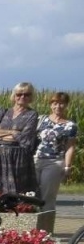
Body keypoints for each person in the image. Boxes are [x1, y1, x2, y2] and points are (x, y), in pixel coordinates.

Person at [0, 82, 40, 197]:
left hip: (16, 158)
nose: (22, 97)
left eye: (27, 94)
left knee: (15, 192)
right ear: (14, 96)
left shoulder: (32, 114)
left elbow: (25, 138)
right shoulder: (4, 112)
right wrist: (13, 132)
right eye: (19, 94)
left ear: (31, 97)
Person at [35, 93, 77, 231]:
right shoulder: (41, 120)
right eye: (55, 103)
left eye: (61, 103)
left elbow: (70, 147)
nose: (58, 106)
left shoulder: (70, 126)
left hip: (54, 162)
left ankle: (45, 232)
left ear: (66, 105)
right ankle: (31, 231)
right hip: (35, 160)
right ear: (50, 105)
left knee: (47, 197)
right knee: (30, 195)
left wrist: (67, 166)